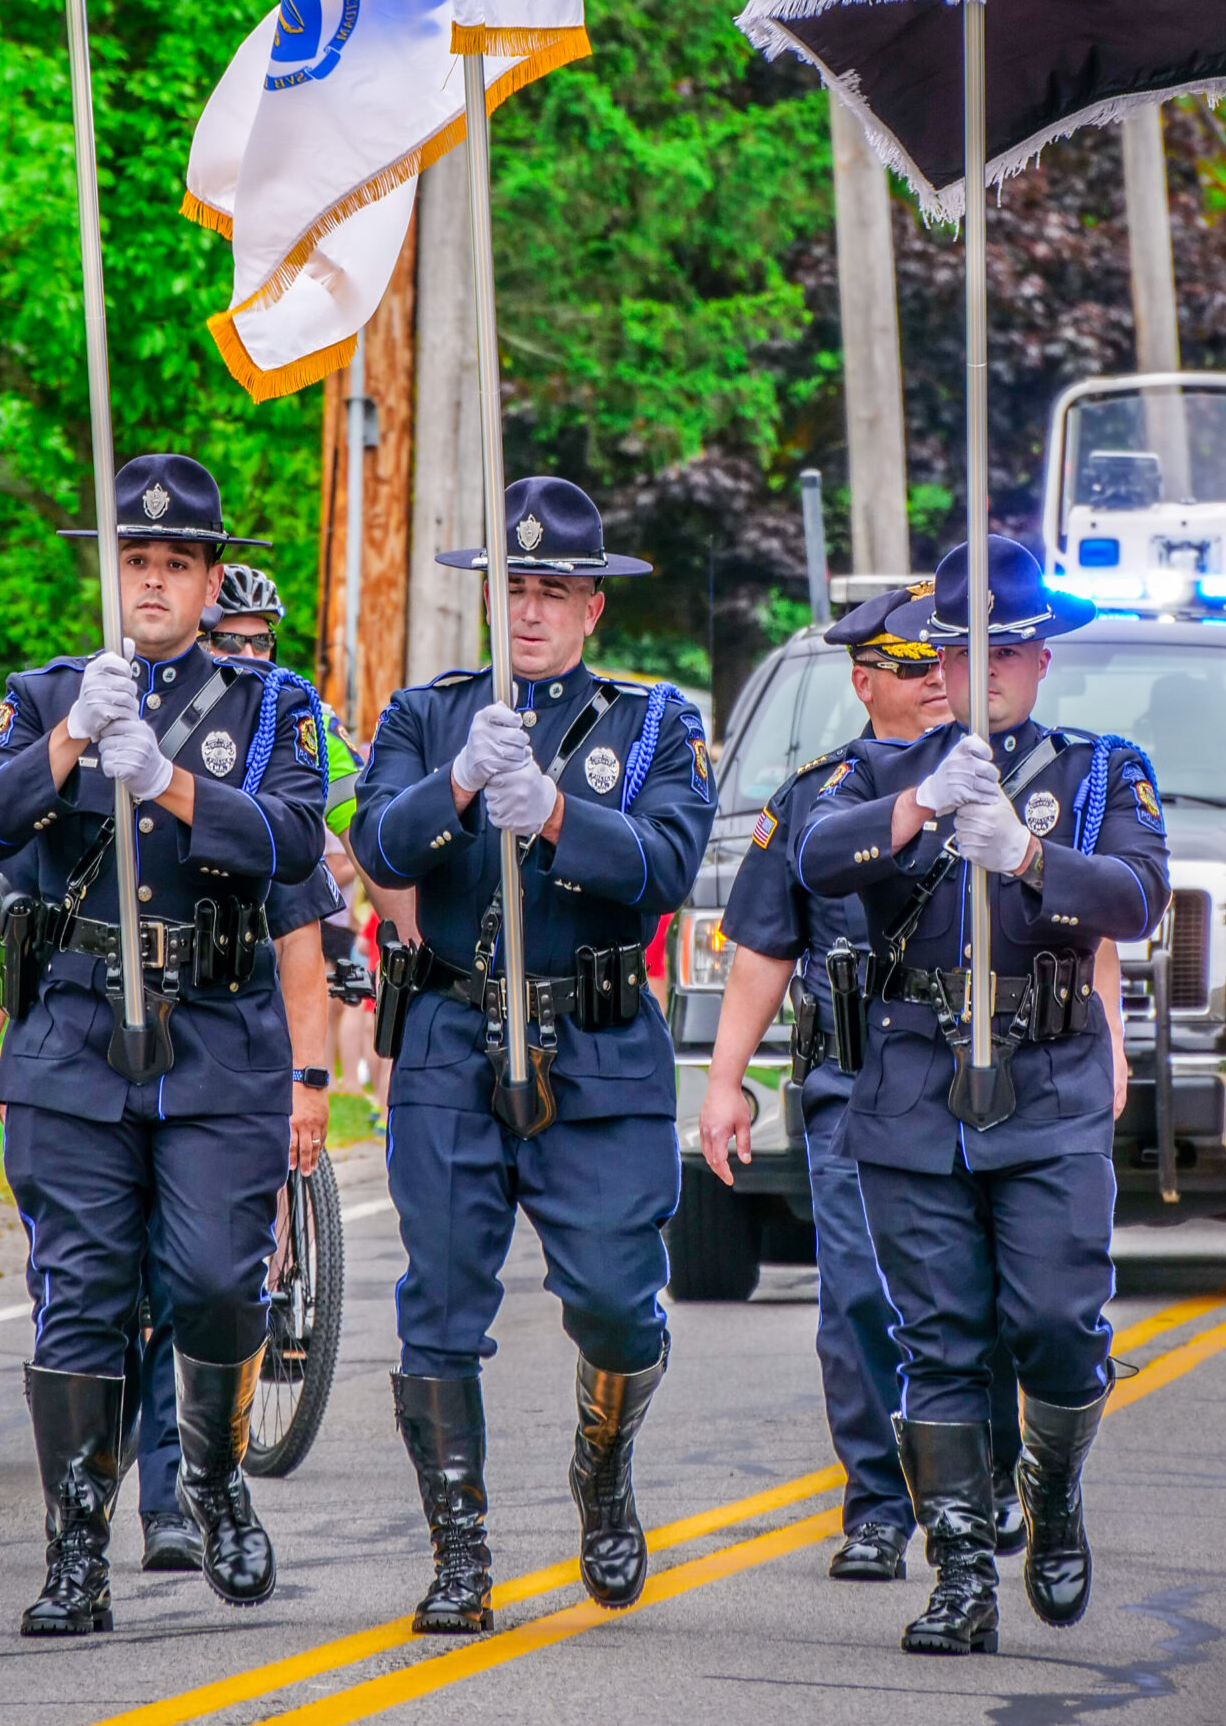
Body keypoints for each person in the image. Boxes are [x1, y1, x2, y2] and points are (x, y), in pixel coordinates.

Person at [0, 453, 339, 1639]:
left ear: (213, 580)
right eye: (137, 560)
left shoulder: (270, 706)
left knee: (218, 1281)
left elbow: (292, 842)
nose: (156, 581)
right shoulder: (45, 693)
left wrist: (168, 781)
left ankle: (213, 1476)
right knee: (80, 1293)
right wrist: (74, 736)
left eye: (179, 562)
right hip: (73, 1032)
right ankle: (77, 1549)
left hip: (216, 1034)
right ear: (110, 574)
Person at [353, 476, 716, 1638]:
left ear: (592, 608)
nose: (530, 610)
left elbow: (668, 864)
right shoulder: (427, 715)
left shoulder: (653, 725)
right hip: (452, 1034)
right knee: (440, 1302)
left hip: (595, 1040)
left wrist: (555, 810)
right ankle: (460, 1552)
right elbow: (377, 843)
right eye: (514, 587)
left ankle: (602, 1467)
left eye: (555, 589)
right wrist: (461, 781)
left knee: (616, 1301)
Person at [797, 537, 1168, 1659]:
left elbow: (1139, 896)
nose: (987, 669)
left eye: (1007, 649)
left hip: (1047, 1079)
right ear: (939, 666)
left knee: (1055, 1323)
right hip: (912, 1084)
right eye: (964, 651)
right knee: (940, 1340)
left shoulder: (1099, 773)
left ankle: (1051, 1491)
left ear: (1040, 660)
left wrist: (1027, 858)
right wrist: (919, 805)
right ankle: (961, 1571)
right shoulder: (876, 774)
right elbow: (817, 859)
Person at [700, 586, 1030, 1581]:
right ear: (863, 682)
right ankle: (880, 1503)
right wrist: (725, 1082)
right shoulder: (816, 797)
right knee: (858, 1296)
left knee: (983, 1292)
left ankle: (989, 1479)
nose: (935, 680)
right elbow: (763, 948)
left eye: (946, 662)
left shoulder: (1011, 777)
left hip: (980, 1086)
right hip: (853, 1085)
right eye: (912, 665)